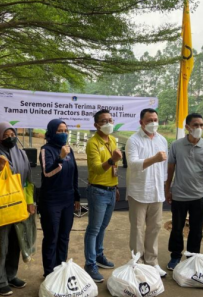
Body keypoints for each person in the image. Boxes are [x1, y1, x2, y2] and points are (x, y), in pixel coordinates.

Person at [165, 113, 203, 271]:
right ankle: (175, 255)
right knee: (177, 227)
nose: (199, 128)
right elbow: (171, 168)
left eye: (201, 125)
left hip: (199, 195)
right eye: (195, 125)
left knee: (196, 230)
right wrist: (167, 189)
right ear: (187, 127)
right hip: (179, 194)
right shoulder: (176, 145)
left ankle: (192, 257)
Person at [0, 122, 35, 296]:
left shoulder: (21, 154)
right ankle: (0, 281)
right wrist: (0, 168)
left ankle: (11, 275)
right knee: (2, 245)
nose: (10, 138)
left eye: (12, 135)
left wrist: (30, 202)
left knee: (16, 243)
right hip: (2, 206)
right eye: (5, 136)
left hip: (20, 206)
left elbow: (28, 181)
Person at [126, 109, 168, 278]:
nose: (153, 123)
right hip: (139, 191)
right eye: (149, 120)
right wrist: (154, 159)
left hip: (157, 191)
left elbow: (164, 167)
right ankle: (137, 263)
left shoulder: (162, 139)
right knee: (137, 229)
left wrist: (164, 185)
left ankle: (152, 261)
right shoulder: (133, 140)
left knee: (155, 227)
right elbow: (133, 164)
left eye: (155, 119)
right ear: (141, 122)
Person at [39, 119, 81, 278]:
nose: (64, 134)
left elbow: (74, 174)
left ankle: (61, 270)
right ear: (51, 132)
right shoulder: (46, 150)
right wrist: (60, 158)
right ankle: (49, 274)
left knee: (64, 236)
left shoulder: (69, 149)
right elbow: (47, 173)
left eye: (65, 131)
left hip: (68, 199)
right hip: (51, 201)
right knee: (52, 237)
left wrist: (77, 196)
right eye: (59, 131)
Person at [84, 109, 122, 283]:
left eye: (110, 120)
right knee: (93, 229)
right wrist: (112, 160)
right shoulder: (92, 143)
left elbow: (113, 170)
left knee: (103, 226)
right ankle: (90, 263)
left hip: (111, 190)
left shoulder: (112, 139)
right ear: (96, 125)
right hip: (98, 191)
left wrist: (116, 186)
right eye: (104, 121)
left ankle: (99, 255)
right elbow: (97, 169)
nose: (108, 123)